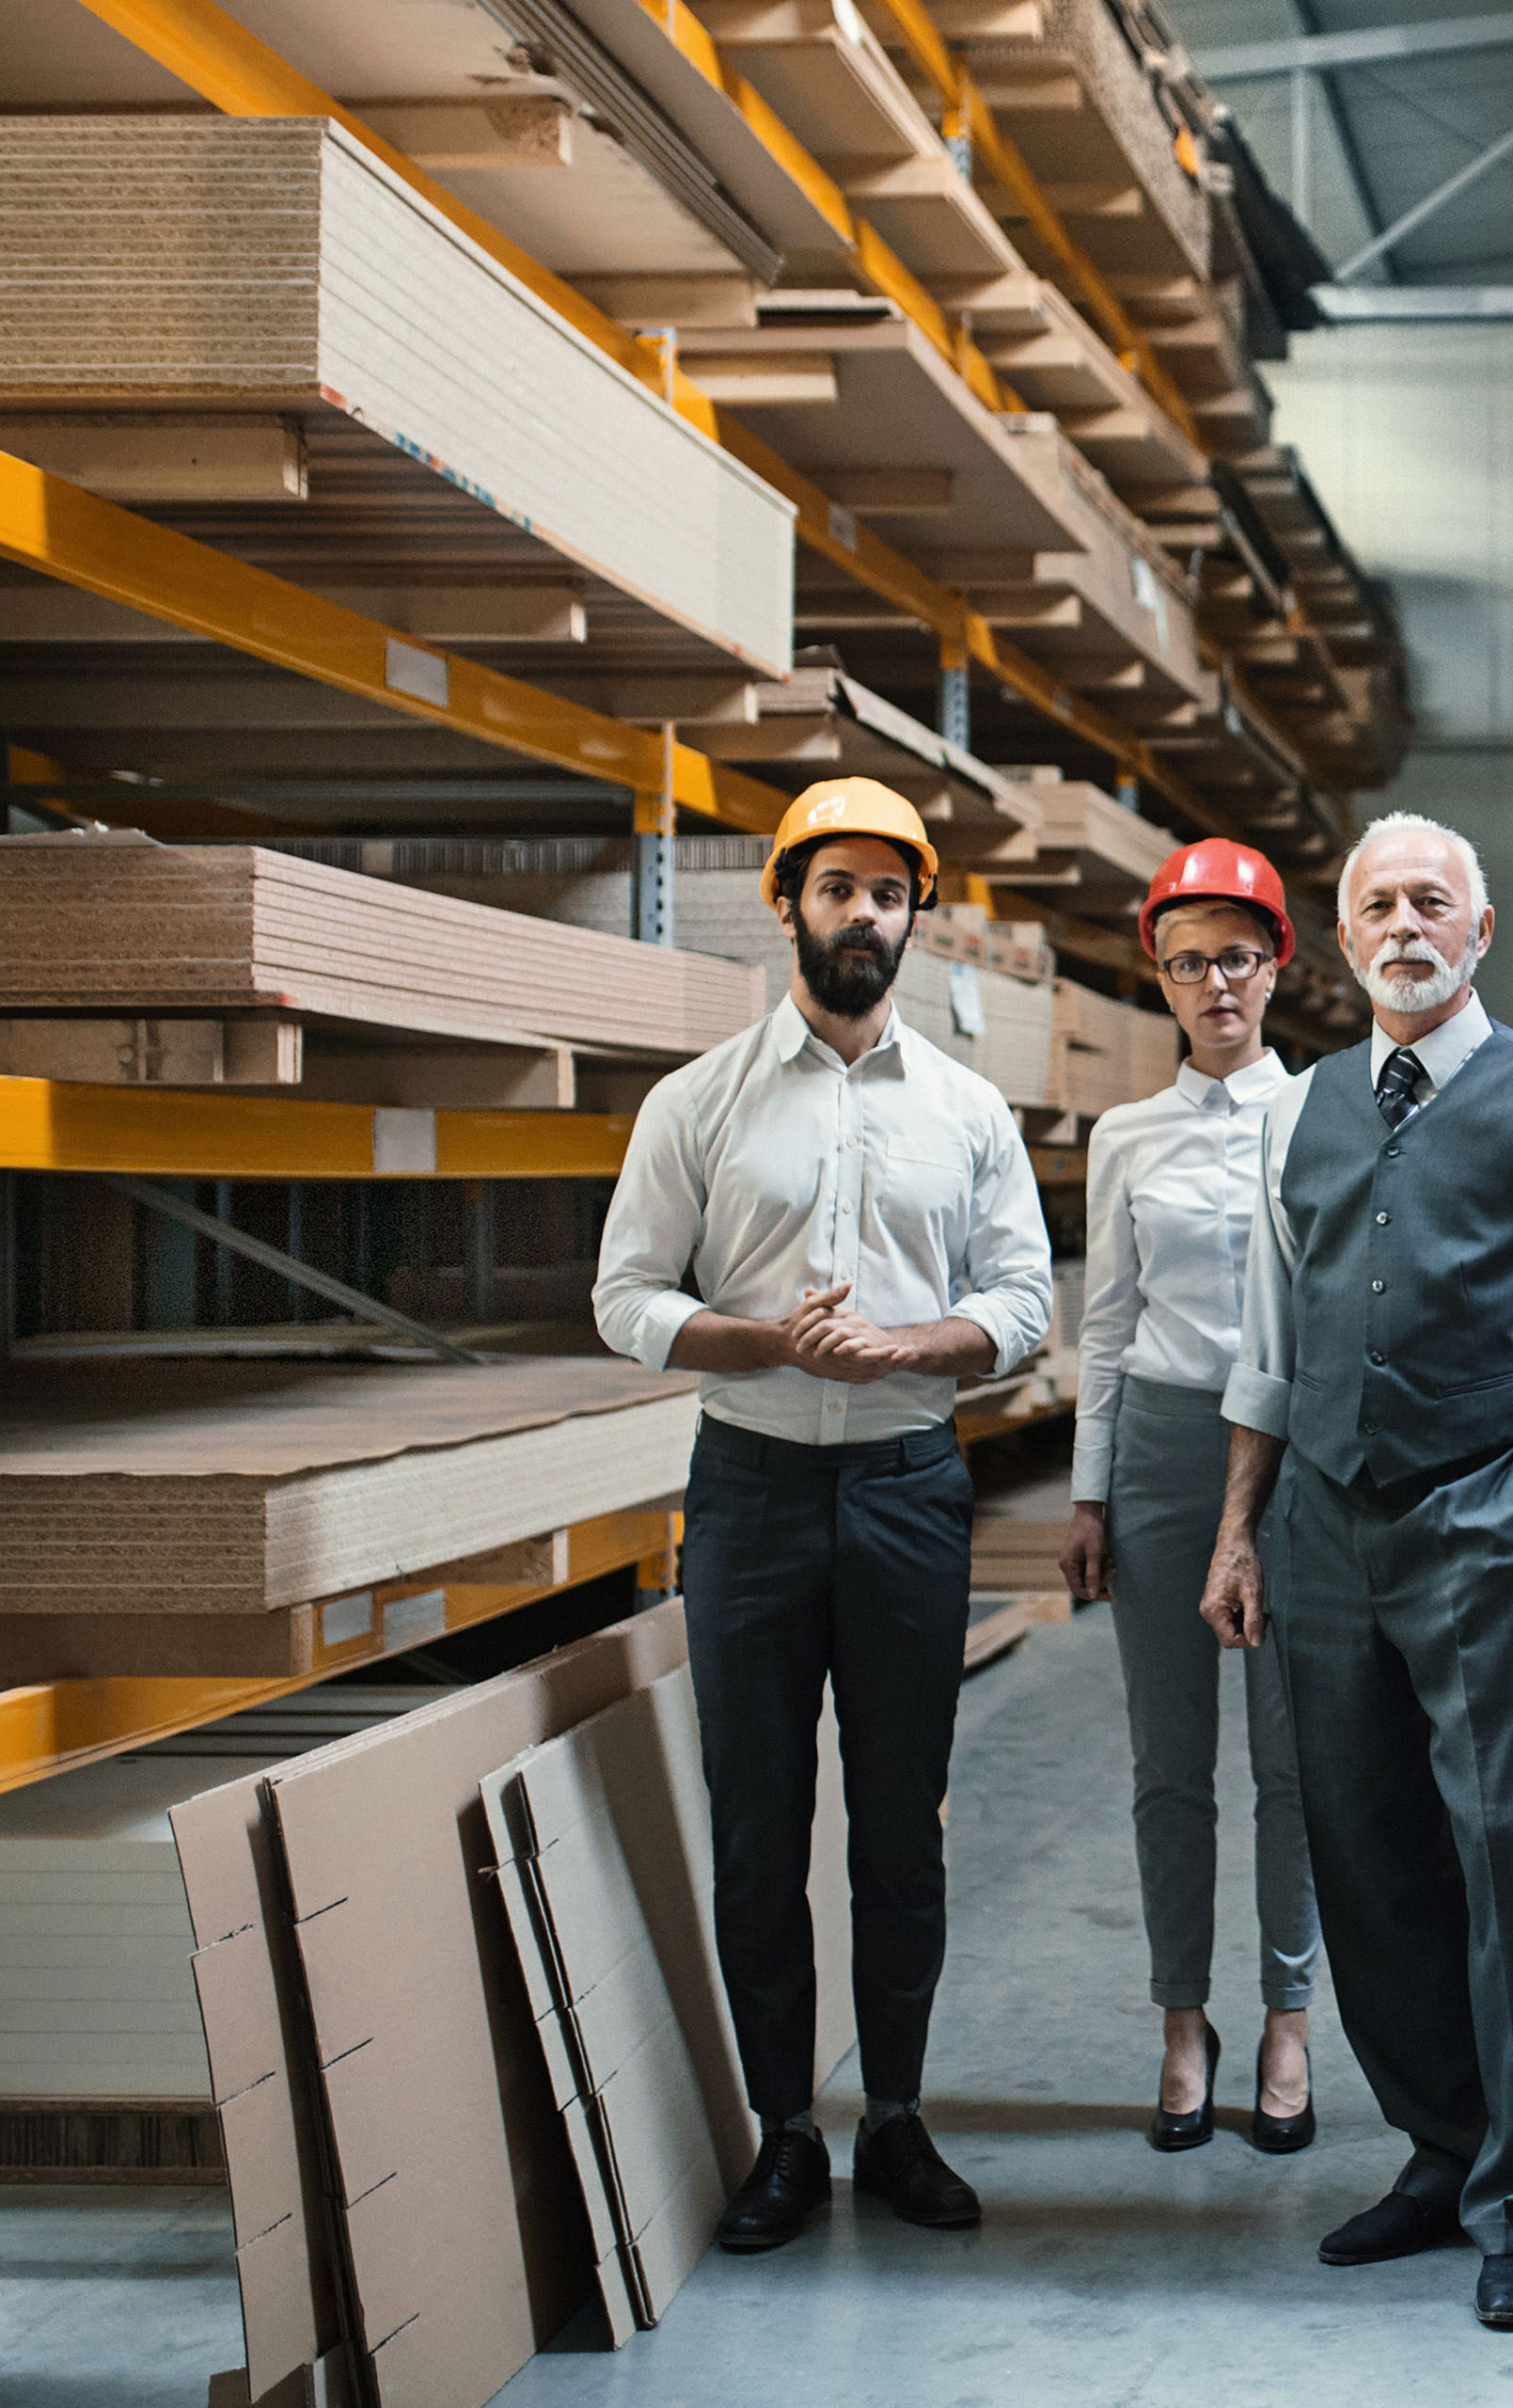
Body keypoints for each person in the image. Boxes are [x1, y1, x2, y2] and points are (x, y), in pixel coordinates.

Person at [1194, 811, 1513, 2333]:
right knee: (1367, 1853)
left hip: (1476, 1514)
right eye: (1378, 903)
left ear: (1481, 928)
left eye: (1431, 901)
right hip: (1318, 1523)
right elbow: (1268, 1339)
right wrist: (1241, 1525)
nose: (1405, 923)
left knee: (1502, 1850)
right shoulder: (1299, 1105)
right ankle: (1441, 2152)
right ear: (1344, 938)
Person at [591, 776, 1057, 2250]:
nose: (866, 916)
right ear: (785, 902)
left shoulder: (968, 1110)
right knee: (757, 1822)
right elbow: (626, 1300)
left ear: (919, 917)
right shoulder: (699, 1100)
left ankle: (901, 2122)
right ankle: (784, 2134)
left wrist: (911, 1349)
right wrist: (760, 1341)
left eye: (891, 894)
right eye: (839, 888)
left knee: (899, 1827)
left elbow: (1027, 1303)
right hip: (753, 1490)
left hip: (913, 1489)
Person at [1063, 840, 1322, 2156]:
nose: (1213, 981)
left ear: (1278, 966)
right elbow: (1106, 1327)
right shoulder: (1125, 1135)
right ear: (1158, 978)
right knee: (1171, 1763)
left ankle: (1286, 2014)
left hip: (1287, 1455)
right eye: (1186, 961)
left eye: (1237, 955)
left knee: (1289, 1757)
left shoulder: (1326, 1115)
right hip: (1162, 1451)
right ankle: (1182, 2018)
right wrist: (1089, 1493)